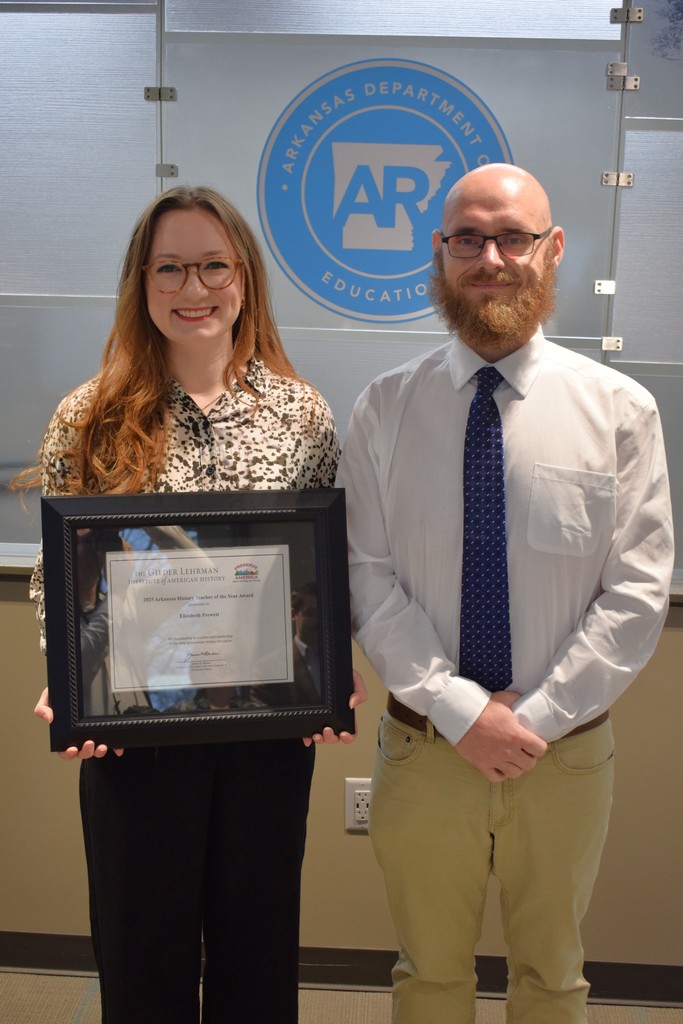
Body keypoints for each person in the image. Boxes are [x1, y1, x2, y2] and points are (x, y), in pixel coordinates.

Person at [19, 185, 365, 1024]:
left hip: (263, 731)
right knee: (142, 957)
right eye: (169, 267)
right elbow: (56, 572)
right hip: (135, 731)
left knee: (257, 950)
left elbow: (319, 571)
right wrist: (68, 672)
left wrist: (326, 673)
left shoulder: (300, 414)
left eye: (213, 265)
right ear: (143, 284)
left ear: (242, 279)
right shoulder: (90, 415)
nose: (193, 287)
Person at [336, 164, 673, 1023]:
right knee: (427, 977)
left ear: (552, 250)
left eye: (513, 238)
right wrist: (460, 709)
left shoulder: (619, 409)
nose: (491, 258)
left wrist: (534, 718)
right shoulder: (382, 410)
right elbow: (366, 579)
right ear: (438, 253)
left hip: (563, 754)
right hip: (424, 751)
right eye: (467, 240)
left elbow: (636, 592)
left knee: (553, 978)